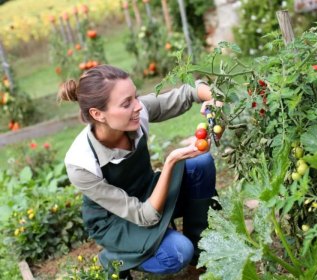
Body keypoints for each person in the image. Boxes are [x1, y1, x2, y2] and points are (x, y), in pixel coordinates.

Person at [58, 64, 220, 278]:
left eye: (135, 96)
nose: (138, 106)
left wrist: (214, 98)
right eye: (127, 103)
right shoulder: (81, 163)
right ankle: (114, 259)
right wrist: (171, 160)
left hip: (148, 192)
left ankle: (201, 257)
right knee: (177, 253)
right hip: (115, 220)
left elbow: (188, 92)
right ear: (98, 114)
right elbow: (146, 216)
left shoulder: (135, 113)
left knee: (200, 164)